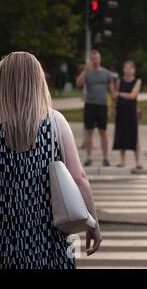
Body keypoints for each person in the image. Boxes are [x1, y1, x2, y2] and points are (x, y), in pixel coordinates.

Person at [0, 52, 102, 269]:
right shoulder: (54, 122)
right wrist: (92, 222)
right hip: (49, 241)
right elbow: (79, 178)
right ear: (38, 81)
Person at [76, 50, 115, 167]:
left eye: (97, 58)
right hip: (90, 105)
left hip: (102, 105)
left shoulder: (106, 73)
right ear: (90, 60)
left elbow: (111, 91)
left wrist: (113, 106)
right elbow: (78, 83)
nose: (95, 61)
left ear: (100, 59)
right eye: (93, 59)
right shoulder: (87, 72)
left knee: (103, 131)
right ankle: (88, 157)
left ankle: (105, 158)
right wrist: (85, 70)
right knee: (89, 131)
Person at [112, 60, 143, 169]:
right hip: (121, 111)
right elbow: (114, 97)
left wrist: (119, 93)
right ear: (123, 69)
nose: (128, 70)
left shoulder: (137, 81)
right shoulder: (119, 81)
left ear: (134, 69)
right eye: (126, 67)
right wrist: (113, 107)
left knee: (134, 136)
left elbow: (132, 95)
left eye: (130, 68)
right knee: (121, 135)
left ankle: (138, 162)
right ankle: (122, 161)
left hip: (131, 111)